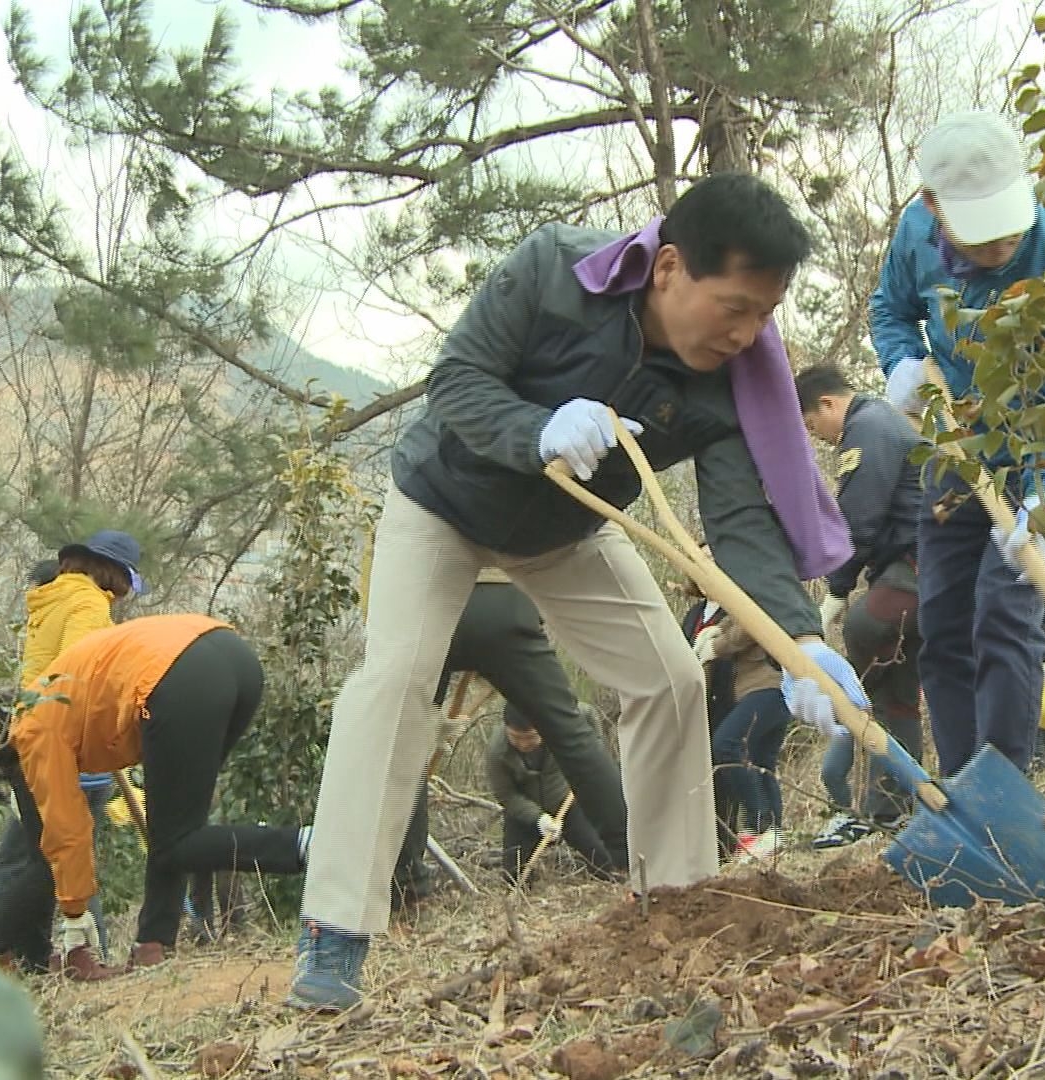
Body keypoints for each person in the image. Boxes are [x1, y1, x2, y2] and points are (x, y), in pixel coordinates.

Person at [289, 172, 866, 1011]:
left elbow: (742, 520)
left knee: (669, 681)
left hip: (567, 531)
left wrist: (799, 643)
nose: (747, 335)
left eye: (763, 316)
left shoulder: (730, 381)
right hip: (443, 501)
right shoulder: (554, 270)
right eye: (733, 307)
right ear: (668, 268)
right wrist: (536, 428)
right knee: (395, 683)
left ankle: (677, 902)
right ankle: (334, 934)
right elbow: (456, 381)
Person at [871, 110, 1045, 778]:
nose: (1002, 244)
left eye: (1010, 226)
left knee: (1004, 614)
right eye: (982, 235)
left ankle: (1008, 784)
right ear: (932, 206)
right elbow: (891, 309)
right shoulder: (915, 235)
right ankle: (964, 786)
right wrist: (899, 362)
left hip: (1038, 453)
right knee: (944, 624)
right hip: (954, 450)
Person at [0, 614, 309, 980]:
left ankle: (306, 844)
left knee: (176, 841)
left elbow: (66, 835)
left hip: (175, 677)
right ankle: (153, 945)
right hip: (233, 657)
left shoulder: (32, 728)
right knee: (178, 830)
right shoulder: (51, 693)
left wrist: (75, 926)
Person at [368, 567, 629, 909]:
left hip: (425, 604)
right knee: (571, 731)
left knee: (404, 752)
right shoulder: (498, 749)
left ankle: (407, 891)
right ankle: (634, 860)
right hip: (505, 602)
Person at [0, 532, 147, 975]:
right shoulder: (89, 604)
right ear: (116, 575)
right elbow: (82, 674)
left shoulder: (51, 598)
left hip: (30, 735)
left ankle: (33, 957)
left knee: (41, 854)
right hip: (63, 745)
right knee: (59, 858)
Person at [794, 364, 926, 849]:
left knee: (864, 639)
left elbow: (857, 520)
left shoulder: (866, 427)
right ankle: (894, 806)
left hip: (918, 566)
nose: (819, 437)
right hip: (910, 570)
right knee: (894, 692)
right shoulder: (882, 421)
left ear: (827, 404)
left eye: (812, 424)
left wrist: (836, 590)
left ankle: (856, 800)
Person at [684, 573, 792, 864]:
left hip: (768, 688)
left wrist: (714, 646)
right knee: (761, 762)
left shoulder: (751, 591)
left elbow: (746, 627)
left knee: (726, 744)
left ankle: (759, 824)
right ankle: (774, 835)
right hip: (762, 692)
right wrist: (714, 634)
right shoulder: (726, 605)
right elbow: (730, 626)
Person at [485, 708, 614, 885]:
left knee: (603, 858)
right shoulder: (497, 751)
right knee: (513, 876)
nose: (523, 744)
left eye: (530, 738)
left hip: (567, 801)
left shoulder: (560, 723)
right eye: (516, 738)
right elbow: (506, 795)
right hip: (524, 811)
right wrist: (538, 818)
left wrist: (593, 756)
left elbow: (588, 715)